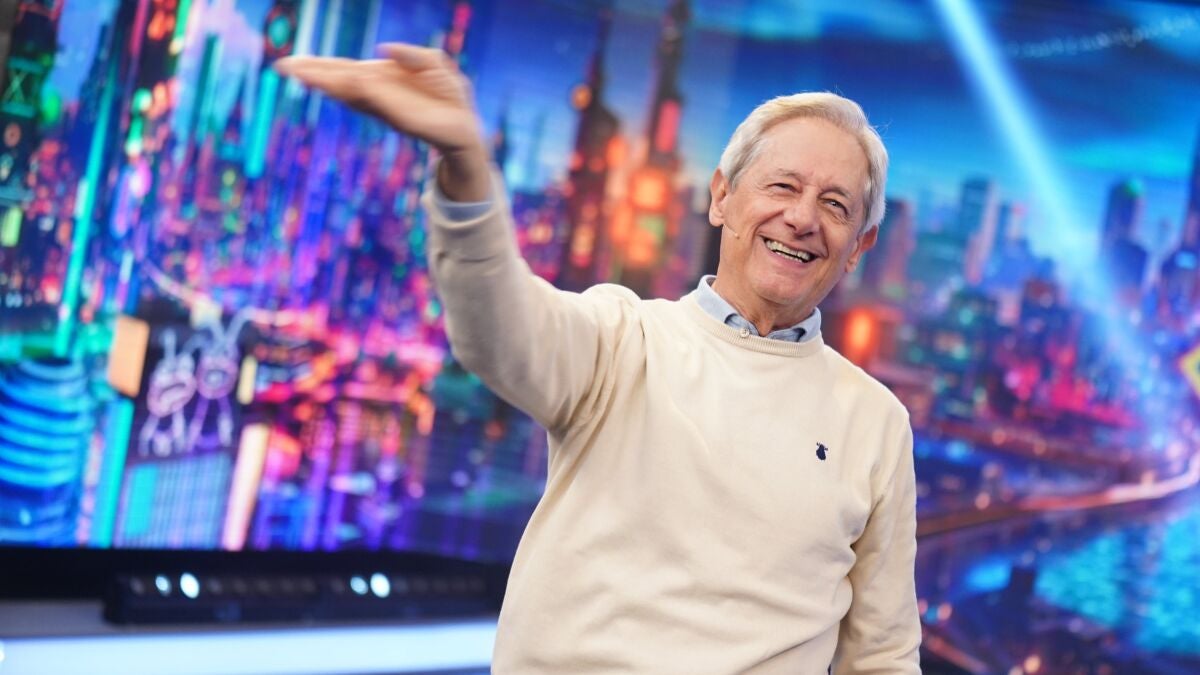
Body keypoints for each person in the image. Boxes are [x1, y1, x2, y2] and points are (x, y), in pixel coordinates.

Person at [277, 42, 920, 674]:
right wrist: (467, 165)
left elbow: (883, 657)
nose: (802, 218)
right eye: (782, 186)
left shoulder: (875, 422)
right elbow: (500, 328)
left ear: (859, 246)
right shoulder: (622, 338)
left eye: (835, 205)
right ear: (721, 197)